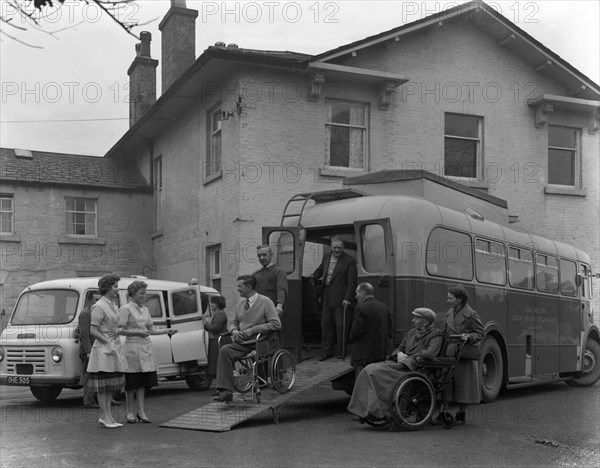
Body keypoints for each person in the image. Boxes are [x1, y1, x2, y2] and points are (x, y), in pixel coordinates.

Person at [347, 308, 443, 423]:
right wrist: (399, 353)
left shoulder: (436, 335)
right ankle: (363, 410)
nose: (413, 320)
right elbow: (399, 348)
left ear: (426, 322)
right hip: (401, 364)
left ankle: (376, 410)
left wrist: (410, 357)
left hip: (415, 368)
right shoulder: (411, 333)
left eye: (416, 318)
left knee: (374, 373)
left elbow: (430, 353)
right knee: (367, 370)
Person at [214, 275, 281, 403]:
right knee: (224, 350)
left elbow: (276, 324)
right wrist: (234, 331)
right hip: (243, 342)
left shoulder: (265, 302)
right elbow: (232, 322)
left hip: (259, 342)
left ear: (249, 287)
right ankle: (225, 391)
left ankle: (228, 389)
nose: (237, 289)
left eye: (240, 286)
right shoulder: (240, 303)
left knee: (227, 349)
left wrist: (254, 329)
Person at [119, 280, 177, 424]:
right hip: (132, 348)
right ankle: (129, 411)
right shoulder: (125, 309)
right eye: (141, 293)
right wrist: (138, 333)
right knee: (131, 382)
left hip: (145, 348)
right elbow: (120, 329)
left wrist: (166, 330)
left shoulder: (145, 310)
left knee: (142, 382)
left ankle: (141, 411)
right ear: (132, 294)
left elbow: (150, 329)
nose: (144, 296)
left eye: (145, 293)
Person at [86, 273, 126, 429]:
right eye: (115, 286)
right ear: (108, 287)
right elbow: (93, 330)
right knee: (103, 386)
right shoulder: (99, 306)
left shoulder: (112, 305)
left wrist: (117, 333)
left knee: (110, 385)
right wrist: (107, 341)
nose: (117, 289)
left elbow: (114, 325)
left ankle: (108, 416)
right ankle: (104, 416)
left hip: (113, 347)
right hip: (103, 350)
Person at [443, 284, 485, 425]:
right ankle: (444, 412)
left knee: (464, 385)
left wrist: (468, 336)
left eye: (450, 298)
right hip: (450, 353)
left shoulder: (471, 314)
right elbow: (444, 332)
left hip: (464, 354)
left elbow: (481, 333)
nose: (447, 300)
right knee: (447, 383)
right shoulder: (449, 312)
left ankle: (461, 413)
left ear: (459, 299)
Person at [312, 236, 357, 361]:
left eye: (339, 248)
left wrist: (348, 298)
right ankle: (327, 351)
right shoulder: (326, 256)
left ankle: (341, 351)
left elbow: (352, 282)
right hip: (326, 294)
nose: (337, 250)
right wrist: (313, 276)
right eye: (334, 247)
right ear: (331, 247)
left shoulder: (349, 260)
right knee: (326, 324)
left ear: (343, 248)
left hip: (341, 297)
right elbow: (321, 269)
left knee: (341, 325)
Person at [348, 283, 393, 376]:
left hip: (364, 356)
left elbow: (355, 333)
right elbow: (390, 331)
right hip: (380, 355)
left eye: (357, 294)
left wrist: (351, 338)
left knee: (362, 383)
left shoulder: (360, 308)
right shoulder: (383, 306)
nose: (356, 297)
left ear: (363, 294)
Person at [78, 292, 101, 408]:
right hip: (88, 350)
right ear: (89, 300)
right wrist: (88, 351)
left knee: (99, 375)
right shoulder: (86, 314)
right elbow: (84, 334)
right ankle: (88, 401)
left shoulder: (96, 312)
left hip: (97, 348)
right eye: (95, 299)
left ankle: (101, 399)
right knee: (89, 376)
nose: (97, 302)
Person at [253, 245, 288, 318]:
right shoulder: (255, 274)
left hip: (273, 311)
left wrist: (279, 305)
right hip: (258, 312)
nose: (261, 258)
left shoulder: (279, 272)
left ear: (271, 255)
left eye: (264, 255)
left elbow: (281, 289)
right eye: (259, 255)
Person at [202, 295, 229, 377]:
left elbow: (215, 328)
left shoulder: (220, 314)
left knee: (218, 362)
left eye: (213, 303)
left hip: (218, 340)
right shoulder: (217, 313)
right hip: (215, 339)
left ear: (217, 304)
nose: (211, 305)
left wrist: (205, 323)